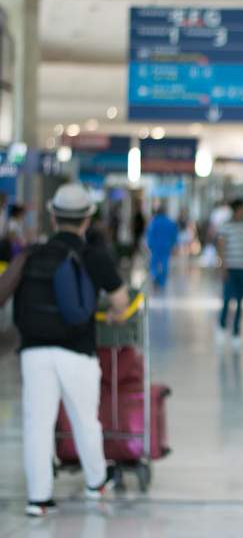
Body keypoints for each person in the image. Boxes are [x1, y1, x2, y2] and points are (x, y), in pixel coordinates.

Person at [0, 184, 129, 517]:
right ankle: (96, 483)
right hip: (77, 351)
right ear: (87, 219)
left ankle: (38, 500)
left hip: (34, 351)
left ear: (54, 217)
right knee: (85, 420)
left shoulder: (33, 253)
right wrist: (114, 315)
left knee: (37, 423)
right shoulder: (93, 255)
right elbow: (120, 300)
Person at [216, 199, 243, 345]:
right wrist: (222, 267)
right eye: (242, 209)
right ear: (236, 210)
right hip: (230, 268)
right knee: (227, 299)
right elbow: (221, 247)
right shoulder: (226, 226)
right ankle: (222, 326)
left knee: (241, 301)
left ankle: (236, 332)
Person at [145, 205, 179, 289]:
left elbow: (150, 235)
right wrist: (174, 245)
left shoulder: (154, 222)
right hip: (167, 246)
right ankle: (162, 281)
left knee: (154, 262)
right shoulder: (170, 222)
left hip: (155, 246)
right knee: (165, 263)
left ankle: (155, 276)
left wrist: (149, 245)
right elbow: (174, 235)